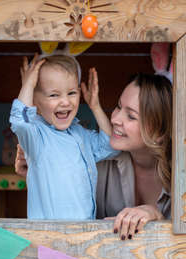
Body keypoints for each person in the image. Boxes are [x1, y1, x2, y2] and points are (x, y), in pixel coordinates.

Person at [15, 71, 173, 240]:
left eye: (131, 116)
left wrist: (156, 215)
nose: (115, 119)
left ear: (159, 133)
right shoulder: (95, 162)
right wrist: (42, 168)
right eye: (119, 107)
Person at [10, 54, 118, 220]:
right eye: (54, 95)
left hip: (84, 235)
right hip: (50, 237)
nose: (65, 102)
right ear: (34, 100)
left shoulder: (80, 134)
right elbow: (19, 122)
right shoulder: (37, 137)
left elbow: (110, 146)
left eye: (72, 93)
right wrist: (28, 85)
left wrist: (95, 107)